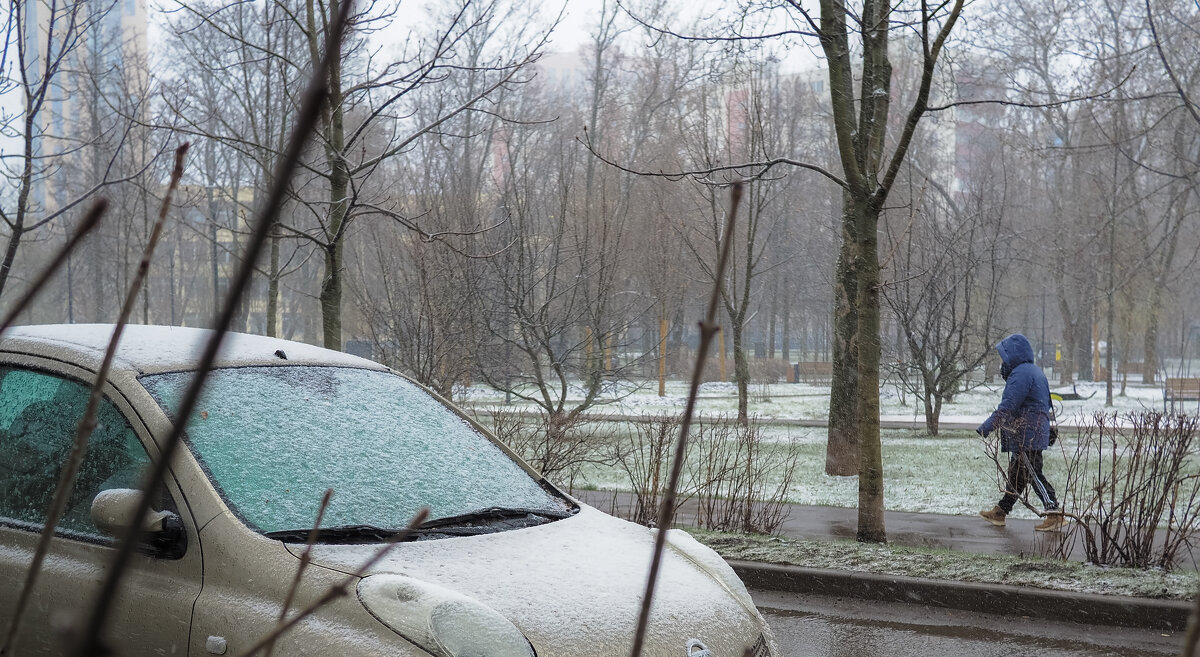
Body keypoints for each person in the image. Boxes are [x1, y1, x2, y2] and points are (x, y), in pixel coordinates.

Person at [976, 333, 1066, 532]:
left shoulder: (1021, 374)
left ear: (1012, 355)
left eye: (1004, 357)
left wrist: (988, 426)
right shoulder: (1033, 371)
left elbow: (1008, 406)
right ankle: (1001, 512)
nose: (1002, 362)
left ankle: (1054, 512)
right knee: (1018, 475)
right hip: (1030, 431)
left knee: (1033, 473)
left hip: (1026, 433)